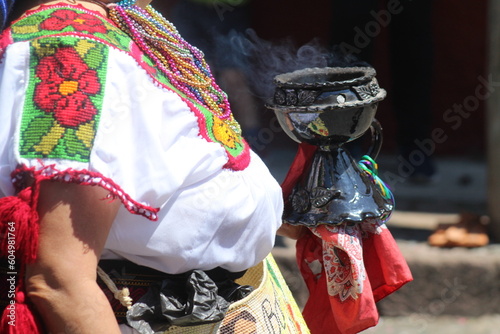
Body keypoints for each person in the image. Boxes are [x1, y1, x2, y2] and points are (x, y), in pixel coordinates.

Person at [0, 0, 308, 333]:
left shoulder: (123, 21)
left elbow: (167, 177)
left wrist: (279, 216)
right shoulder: (72, 48)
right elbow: (60, 280)